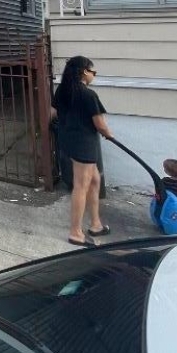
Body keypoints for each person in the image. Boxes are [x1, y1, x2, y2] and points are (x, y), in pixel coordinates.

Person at [52, 55, 113, 247]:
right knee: (81, 185)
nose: (94, 75)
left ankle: (95, 224)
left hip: (69, 141)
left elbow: (52, 113)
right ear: (84, 72)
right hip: (83, 144)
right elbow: (99, 124)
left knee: (95, 180)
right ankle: (75, 233)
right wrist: (108, 134)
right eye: (93, 72)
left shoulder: (62, 90)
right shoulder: (88, 95)